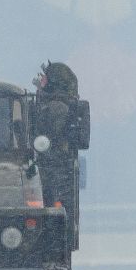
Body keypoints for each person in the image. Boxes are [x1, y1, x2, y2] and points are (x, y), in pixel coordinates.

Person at [33, 61, 84, 242]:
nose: (41, 82)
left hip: (51, 168)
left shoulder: (56, 108)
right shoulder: (57, 106)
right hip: (53, 168)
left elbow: (47, 134)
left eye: (45, 79)